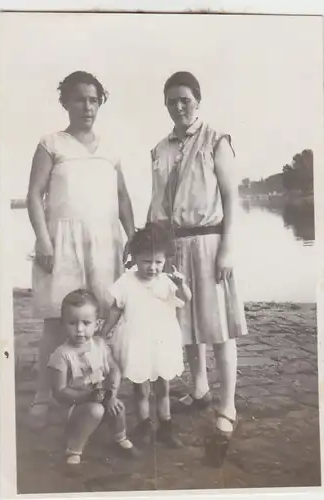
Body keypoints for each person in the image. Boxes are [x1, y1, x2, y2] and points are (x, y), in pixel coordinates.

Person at [27, 71, 134, 427]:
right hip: (63, 241)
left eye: (93, 99)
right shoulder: (51, 143)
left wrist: (132, 236)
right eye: (79, 99)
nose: (87, 106)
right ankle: (45, 393)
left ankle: (101, 389)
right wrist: (43, 239)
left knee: (104, 316)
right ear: (65, 103)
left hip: (105, 243)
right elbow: (34, 195)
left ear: (100, 102)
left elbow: (122, 198)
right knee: (58, 320)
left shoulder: (111, 148)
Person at [147, 71, 248, 448]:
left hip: (209, 241)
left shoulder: (216, 140)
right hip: (174, 245)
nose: (178, 106)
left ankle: (227, 406)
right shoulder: (159, 149)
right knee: (185, 323)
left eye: (185, 99)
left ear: (198, 101)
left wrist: (227, 247)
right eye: (172, 100)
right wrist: (150, 247)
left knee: (218, 326)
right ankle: (201, 388)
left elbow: (231, 198)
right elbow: (156, 203)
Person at [101, 223, 192, 448]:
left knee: (163, 387)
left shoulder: (168, 282)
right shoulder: (127, 281)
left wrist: (182, 286)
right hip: (137, 342)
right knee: (140, 388)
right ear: (135, 258)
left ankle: (165, 426)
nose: (152, 267)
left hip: (161, 342)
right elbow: (116, 308)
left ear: (165, 261)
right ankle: (143, 425)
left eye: (158, 262)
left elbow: (186, 299)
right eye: (146, 262)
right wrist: (103, 332)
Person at [48, 289, 137, 465]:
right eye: (72, 323)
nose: (80, 330)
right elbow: (59, 392)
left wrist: (111, 393)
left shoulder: (100, 345)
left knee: (117, 405)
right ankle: (73, 449)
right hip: (72, 407)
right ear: (63, 324)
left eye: (86, 323)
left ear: (96, 325)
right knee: (95, 410)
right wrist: (86, 396)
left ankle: (120, 438)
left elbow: (114, 369)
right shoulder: (61, 355)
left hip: (99, 396)